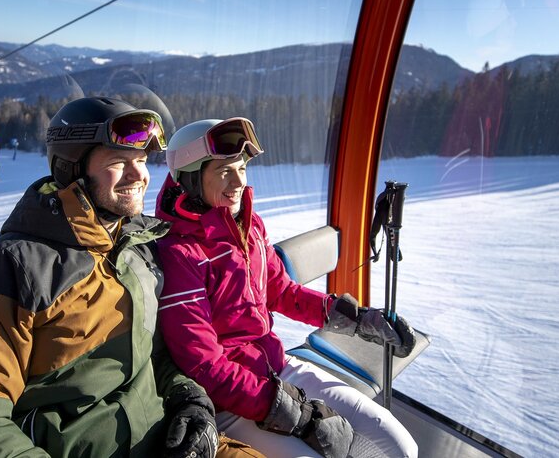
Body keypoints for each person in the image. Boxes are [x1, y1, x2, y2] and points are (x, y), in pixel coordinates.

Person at [0, 97, 261, 458]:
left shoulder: (138, 248)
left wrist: (188, 397)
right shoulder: (8, 270)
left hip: (165, 441)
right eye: (119, 162)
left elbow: (156, 353)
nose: (139, 176)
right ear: (71, 168)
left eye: (142, 161)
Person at [154, 117, 419, 458]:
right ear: (190, 179)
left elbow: (280, 291)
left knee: (397, 445)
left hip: (278, 368)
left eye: (242, 169)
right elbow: (204, 364)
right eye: (224, 172)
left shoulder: (248, 227)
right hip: (229, 402)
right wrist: (294, 414)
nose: (238, 182)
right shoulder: (179, 253)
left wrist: (354, 318)